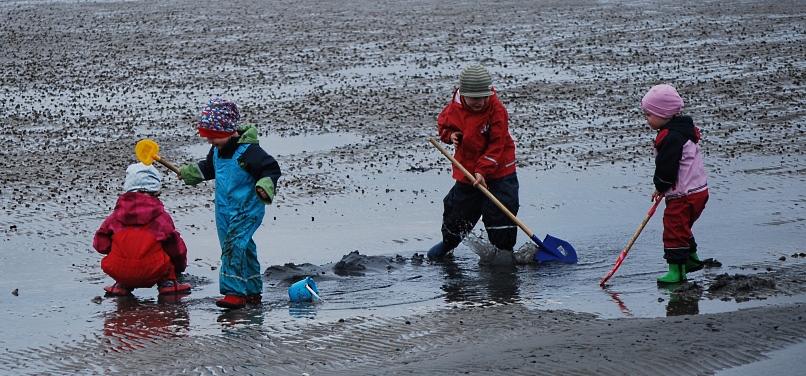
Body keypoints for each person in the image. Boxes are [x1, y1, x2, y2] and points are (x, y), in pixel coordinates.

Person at [178, 97, 281, 309]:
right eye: (207, 137)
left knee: (233, 246)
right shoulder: (217, 150)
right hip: (224, 209)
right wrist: (189, 173)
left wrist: (264, 185)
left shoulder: (250, 152)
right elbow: (209, 168)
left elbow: (270, 169)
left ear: (227, 131)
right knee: (245, 247)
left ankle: (234, 292)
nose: (210, 142)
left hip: (247, 209)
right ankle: (252, 289)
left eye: (213, 137)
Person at [428, 64, 519, 259]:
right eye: (474, 98)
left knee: (501, 211)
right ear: (463, 94)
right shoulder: (455, 108)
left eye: (483, 97)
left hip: (499, 170)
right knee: (458, 211)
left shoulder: (496, 109)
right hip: (467, 170)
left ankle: (504, 252)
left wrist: (483, 170)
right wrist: (450, 135)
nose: (480, 102)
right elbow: (443, 127)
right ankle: (448, 243)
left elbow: (497, 143)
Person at [641, 84, 709, 284]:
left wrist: (661, 185)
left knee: (673, 228)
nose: (646, 118)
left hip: (683, 194)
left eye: (649, 114)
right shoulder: (685, 130)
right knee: (682, 226)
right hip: (699, 191)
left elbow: (667, 166)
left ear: (663, 114)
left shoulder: (670, 137)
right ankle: (691, 259)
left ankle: (677, 272)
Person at [94, 163, 191, 297]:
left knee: (124, 252)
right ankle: (167, 284)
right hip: (153, 270)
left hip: (119, 269)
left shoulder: (115, 217)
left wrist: (120, 250)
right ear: (154, 193)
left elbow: (100, 244)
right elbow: (176, 249)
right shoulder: (161, 218)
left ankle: (121, 284)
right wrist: (180, 267)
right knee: (166, 252)